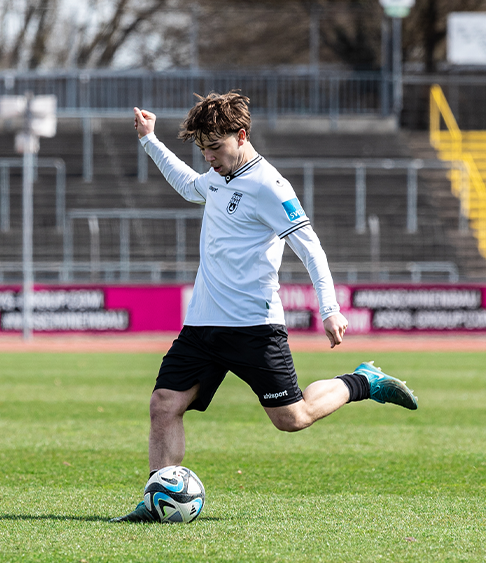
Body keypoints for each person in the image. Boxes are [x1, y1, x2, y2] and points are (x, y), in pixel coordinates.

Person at [112, 92, 418, 522]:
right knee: (164, 403)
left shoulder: (270, 186)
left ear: (241, 136)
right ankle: (157, 502)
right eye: (203, 149)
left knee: (292, 418)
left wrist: (330, 308)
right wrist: (149, 139)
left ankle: (362, 381)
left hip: (254, 328)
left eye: (215, 147)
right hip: (202, 326)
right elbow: (187, 185)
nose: (209, 157)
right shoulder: (217, 176)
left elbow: (310, 248)